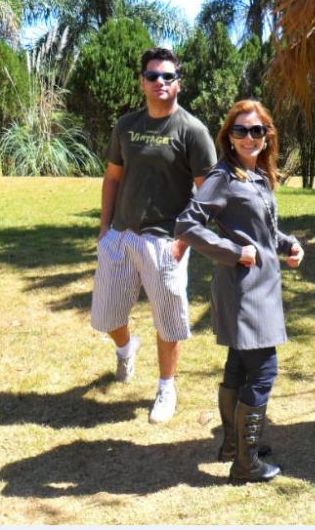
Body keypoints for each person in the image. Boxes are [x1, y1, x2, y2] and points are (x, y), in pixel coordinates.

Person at [175, 100, 304, 484]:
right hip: (245, 290)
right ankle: (246, 464)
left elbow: (259, 229)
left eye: (257, 130)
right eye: (241, 130)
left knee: (239, 366)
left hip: (259, 287)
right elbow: (187, 224)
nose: (249, 137)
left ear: (267, 137)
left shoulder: (256, 177)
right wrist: (233, 252)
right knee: (263, 372)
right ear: (228, 137)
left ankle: (234, 447)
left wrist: (286, 243)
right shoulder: (224, 176)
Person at [90, 47, 217, 424]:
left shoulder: (192, 131)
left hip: (166, 240)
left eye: (167, 76)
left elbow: (207, 192)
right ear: (142, 82)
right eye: (152, 76)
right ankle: (127, 348)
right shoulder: (126, 125)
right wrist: (104, 229)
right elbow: (112, 177)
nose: (159, 82)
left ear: (179, 82)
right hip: (121, 235)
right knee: (108, 315)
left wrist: (184, 240)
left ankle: (166, 386)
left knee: (168, 319)